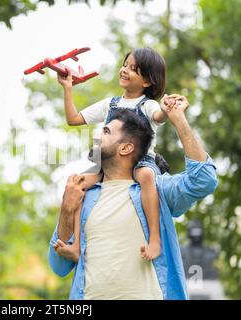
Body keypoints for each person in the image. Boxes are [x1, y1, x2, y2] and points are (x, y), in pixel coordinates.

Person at [48, 95, 218, 299]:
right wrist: (67, 209)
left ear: (126, 148)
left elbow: (204, 180)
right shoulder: (83, 193)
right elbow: (58, 266)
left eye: (106, 131)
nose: (98, 134)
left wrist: (178, 119)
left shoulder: (156, 191)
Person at [57, 47, 169, 262]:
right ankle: (76, 246)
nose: (124, 70)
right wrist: (67, 88)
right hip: (107, 162)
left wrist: (166, 109)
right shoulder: (111, 104)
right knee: (78, 183)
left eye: (133, 69)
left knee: (147, 176)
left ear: (147, 81)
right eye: (125, 65)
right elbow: (73, 119)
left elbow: (158, 116)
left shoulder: (148, 105)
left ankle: (154, 239)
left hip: (140, 160)